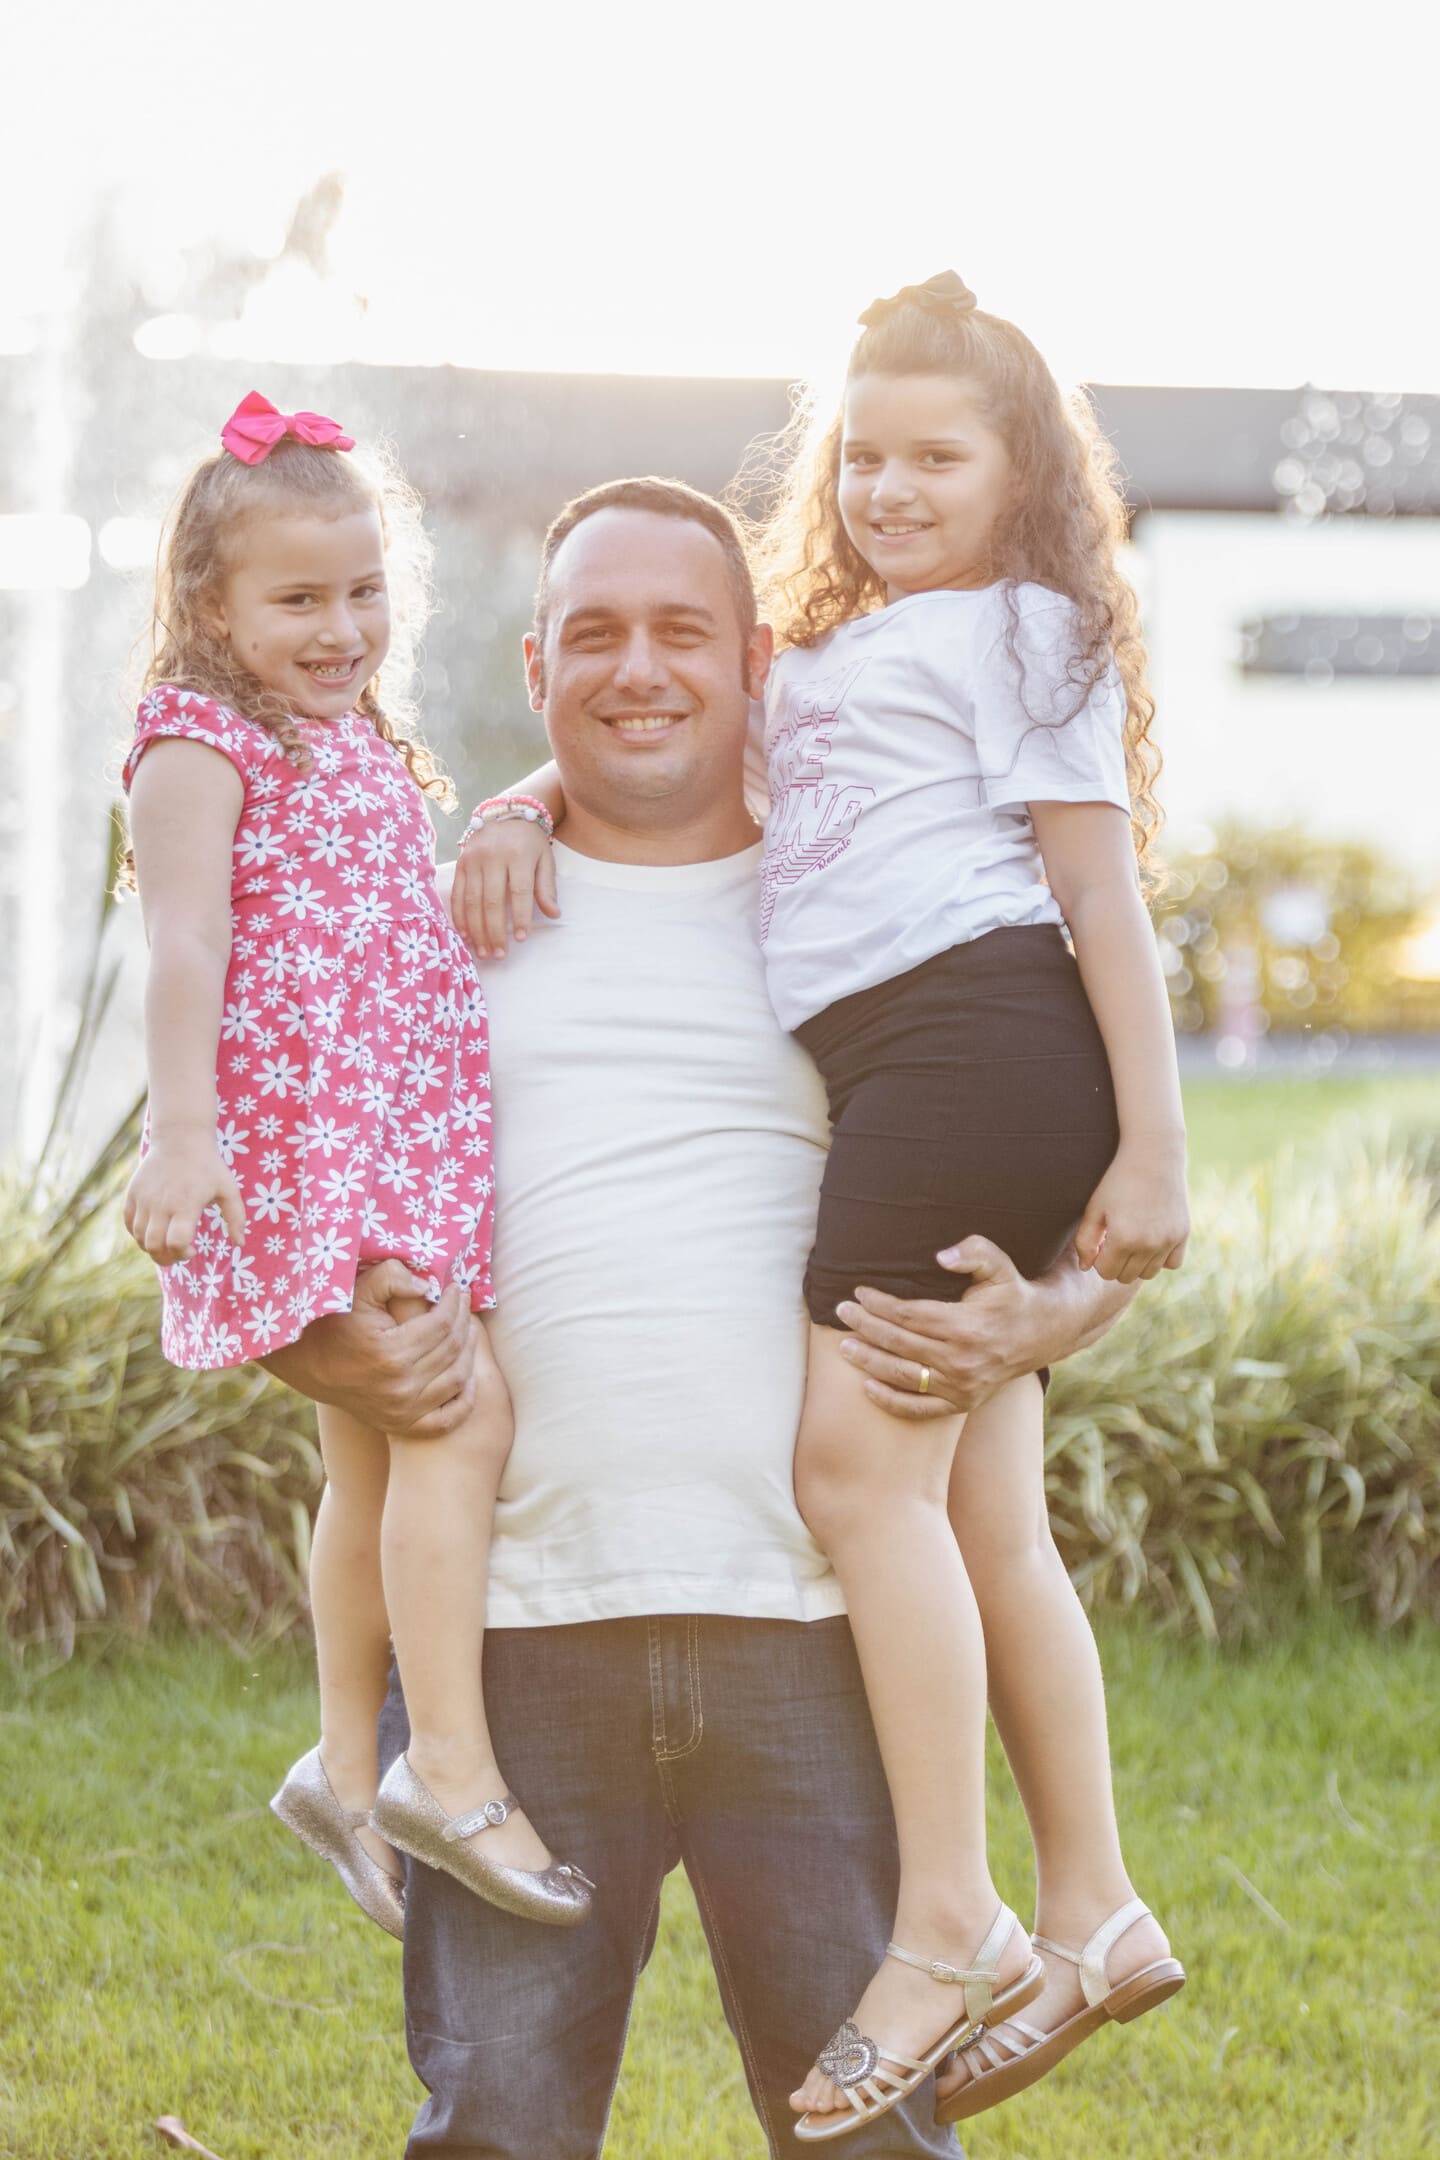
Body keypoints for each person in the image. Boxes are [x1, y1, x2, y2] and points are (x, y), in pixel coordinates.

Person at [275, 475, 1139, 2158]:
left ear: (762, 669)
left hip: (819, 1642)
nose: (638, 668)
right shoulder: (443, 929)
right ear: (535, 668)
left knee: (869, 2145)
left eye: (683, 631)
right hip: (512, 1659)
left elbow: (1082, 1176)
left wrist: (1054, 1318)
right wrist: (319, 1345)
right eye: (593, 634)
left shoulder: (871, 918)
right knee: (498, 2131)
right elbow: (280, 1183)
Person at [475, 273, 1190, 2142]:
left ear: (1023, 469)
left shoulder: (1031, 631)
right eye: (861, 453)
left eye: (935, 456)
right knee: (977, 1493)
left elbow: (1102, 901)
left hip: (973, 1036)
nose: (885, 485)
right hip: (923, 1060)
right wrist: (526, 796)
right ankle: (1097, 1900)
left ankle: (955, 1912)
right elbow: (679, 706)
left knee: (859, 1475)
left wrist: (1154, 1152)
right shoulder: (849, 651)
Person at [119, 394, 591, 1945]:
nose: (343, 629)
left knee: (371, 1456)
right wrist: (181, 1136)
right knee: (458, 1410)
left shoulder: (353, 739)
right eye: (299, 600)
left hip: (388, 1140)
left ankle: (342, 1759)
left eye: (365, 592)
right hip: (306, 1156)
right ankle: (445, 1765)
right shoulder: (197, 744)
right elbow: (181, 944)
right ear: (211, 607)